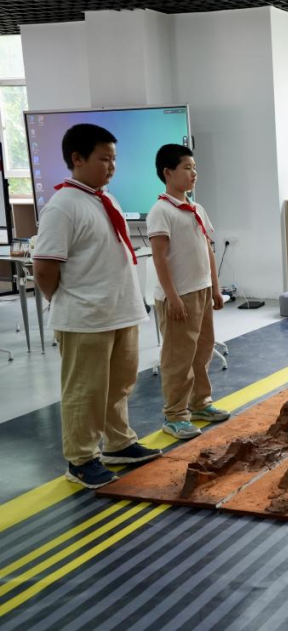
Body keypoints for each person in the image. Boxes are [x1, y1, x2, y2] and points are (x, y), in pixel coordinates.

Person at [32, 124, 161, 489]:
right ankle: (81, 459)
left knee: (119, 384)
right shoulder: (62, 207)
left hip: (120, 310)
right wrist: (67, 301)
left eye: (114, 159)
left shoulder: (106, 199)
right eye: (104, 159)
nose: (112, 167)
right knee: (85, 391)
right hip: (85, 317)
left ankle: (119, 443)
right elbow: (44, 269)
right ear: (77, 159)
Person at [147, 144, 230, 440]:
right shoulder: (161, 211)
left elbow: (207, 249)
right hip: (179, 296)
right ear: (168, 172)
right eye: (187, 167)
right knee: (178, 357)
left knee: (202, 351)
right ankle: (175, 415)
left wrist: (215, 287)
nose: (194, 173)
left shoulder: (196, 208)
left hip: (201, 290)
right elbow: (159, 258)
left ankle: (200, 403)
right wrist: (172, 298)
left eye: (194, 168)